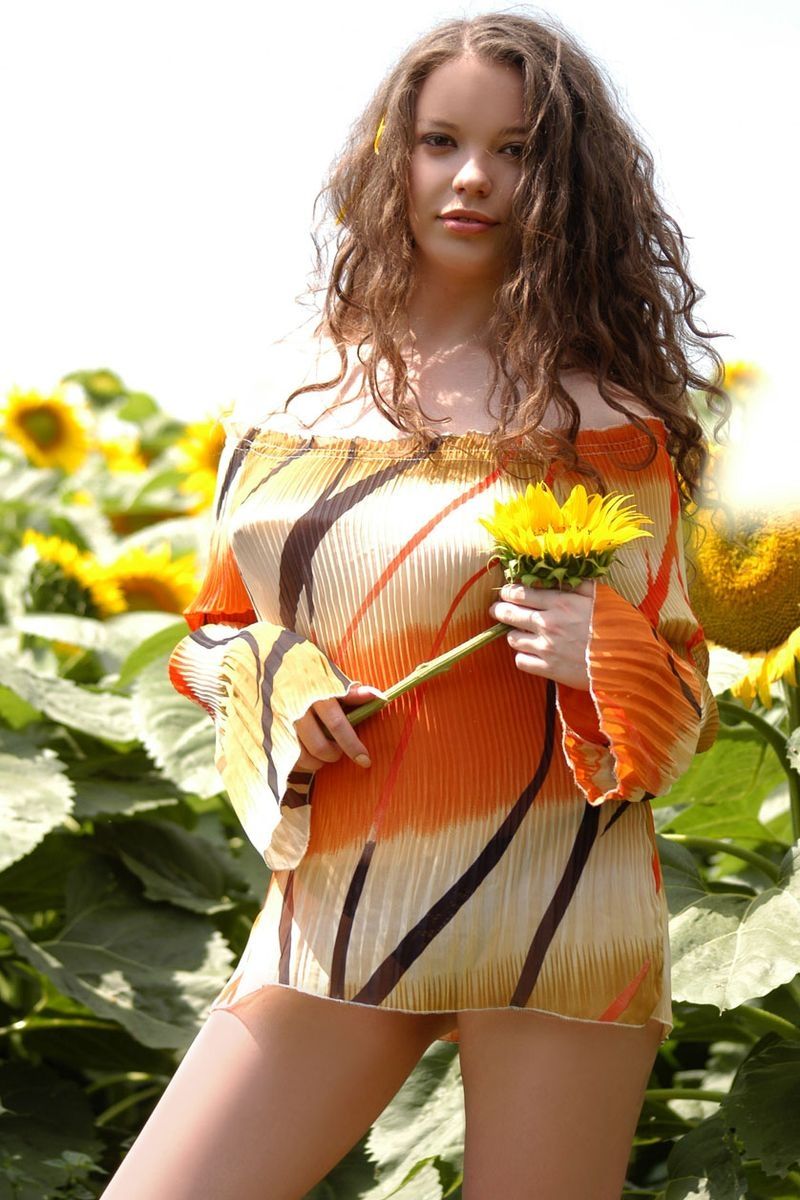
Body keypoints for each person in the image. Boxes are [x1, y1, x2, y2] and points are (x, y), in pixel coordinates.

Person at [102, 11, 725, 1199]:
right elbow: (210, 634)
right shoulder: (289, 389)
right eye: (440, 141)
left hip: (562, 903)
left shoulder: (612, 419)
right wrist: (278, 685)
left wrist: (611, 654)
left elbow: (682, 708)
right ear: (393, 152)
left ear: (572, 179)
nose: (473, 178)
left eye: (520, 150)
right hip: (337, 897)